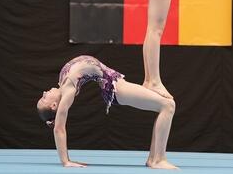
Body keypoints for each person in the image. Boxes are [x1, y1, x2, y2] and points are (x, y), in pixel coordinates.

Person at [36, 55, 177, 169]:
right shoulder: (68, 91)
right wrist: (66, 161)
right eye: (44, 99)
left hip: (115, 82)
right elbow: (59, 128)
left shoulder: (63, 82)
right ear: (54, 106)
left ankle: (153, 159)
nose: (44, 93)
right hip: (116, 89)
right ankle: (158, 160)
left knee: (166, 105)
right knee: (168, 105)